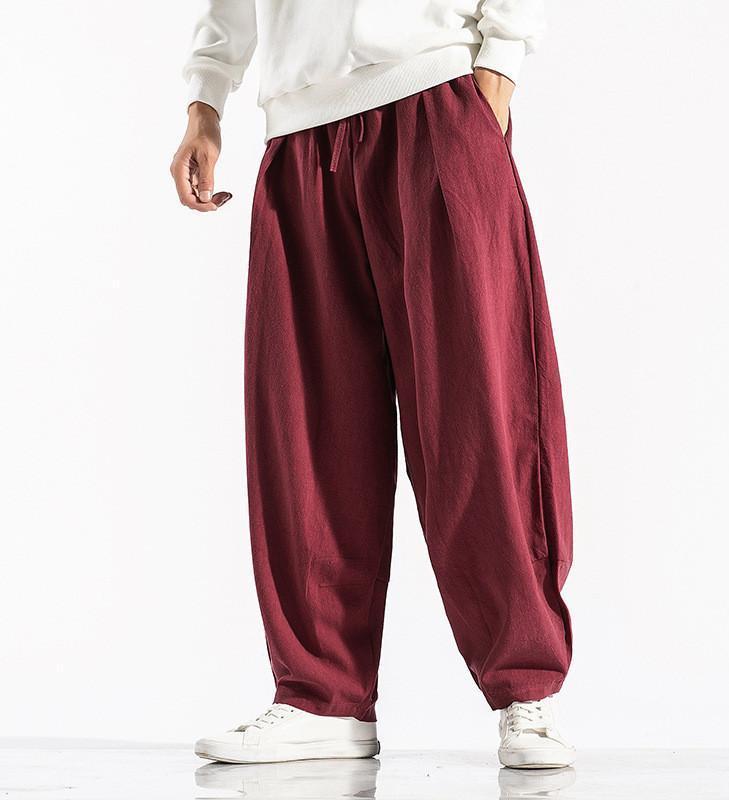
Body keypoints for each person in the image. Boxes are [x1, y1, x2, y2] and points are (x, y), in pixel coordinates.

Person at [171, 0, 575, 770]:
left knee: (480, 416)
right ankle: (322, 698)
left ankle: (528, 689)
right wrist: (206, 100)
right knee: (306, 427)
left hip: (433, 97)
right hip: (298, 129)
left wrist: (501, 61)